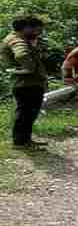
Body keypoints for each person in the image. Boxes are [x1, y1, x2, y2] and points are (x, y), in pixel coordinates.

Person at [1, 15, 49, 148]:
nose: (38, 32)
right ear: (26, 28)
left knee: (28, 113)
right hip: (26, 84)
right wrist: (30, 68)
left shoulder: (17, 38)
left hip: (27, 83)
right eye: (35, 29)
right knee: (25, 113)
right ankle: (20, 142)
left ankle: (25, 140)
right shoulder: (17, 41)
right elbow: (21, 55)